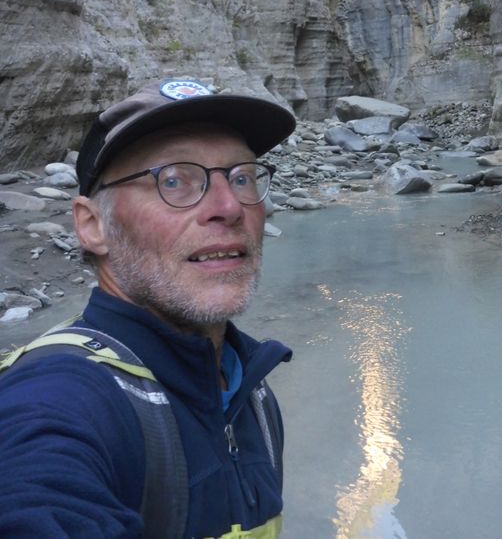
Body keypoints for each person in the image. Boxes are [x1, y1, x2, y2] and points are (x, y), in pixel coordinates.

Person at [0, 78, 296, 538]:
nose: (229, 206)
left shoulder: (251, 392)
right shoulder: (59, 399)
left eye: (242, 177)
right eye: (174, 179)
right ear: (92, 225)